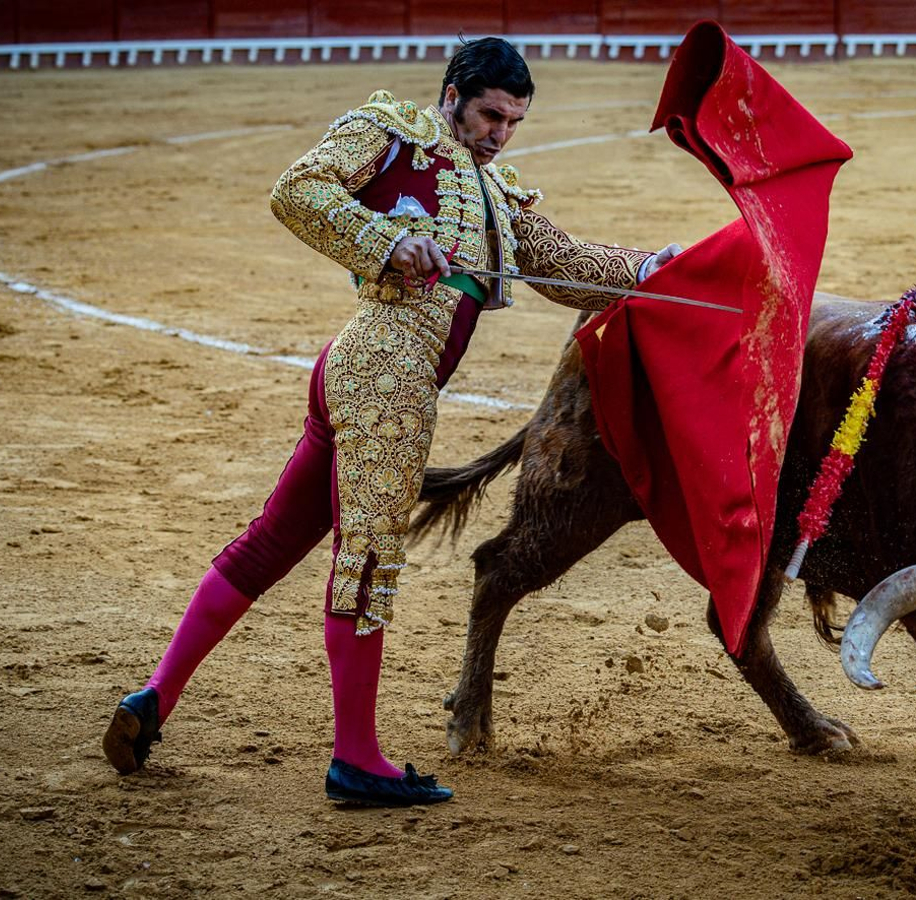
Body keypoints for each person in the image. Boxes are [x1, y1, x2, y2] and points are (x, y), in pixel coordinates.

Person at [102, 37, 680, 807]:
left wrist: (654, 269)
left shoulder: (498, 193)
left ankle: (154, 698)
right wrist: (385, 239)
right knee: (368, 558)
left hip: (363, 375)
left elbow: (563, 264)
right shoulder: (394, 133)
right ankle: (356, 759)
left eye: (513, 122)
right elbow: (298, 188)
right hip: (385, 376)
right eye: (488, 115)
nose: (500, 134)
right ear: (452, 94)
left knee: (275, 539)